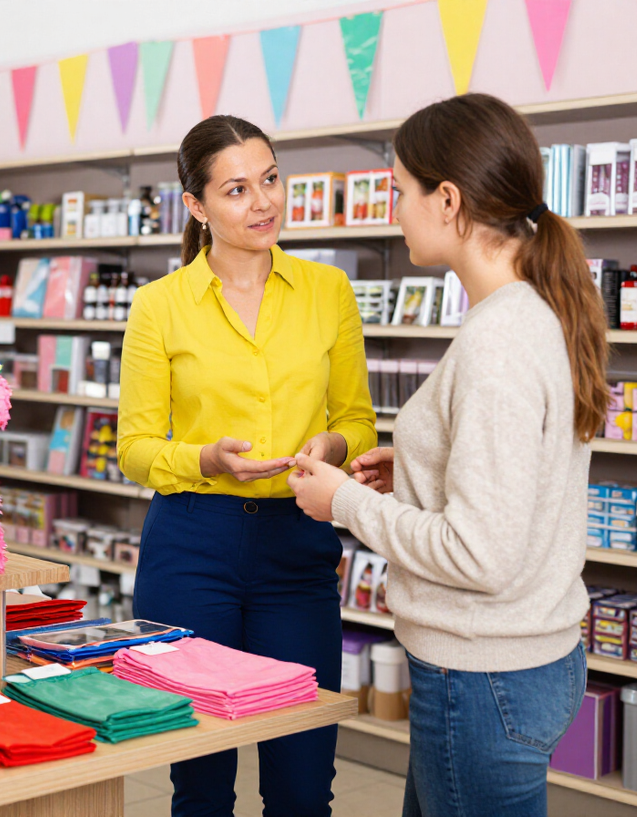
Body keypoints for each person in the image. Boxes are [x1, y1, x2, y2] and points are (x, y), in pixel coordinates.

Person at [289, 93, 606, 817]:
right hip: (520, 662)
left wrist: (344, 501)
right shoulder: (535, 307)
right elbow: (527, 467)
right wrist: (423, 465)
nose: (395, 210)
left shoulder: (497, 340)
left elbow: (478, 554)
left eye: (401, 189)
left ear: (449, 199)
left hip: (483, 675)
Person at [117, 114, 376, 817]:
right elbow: (134, 446)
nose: (262, 202)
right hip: (192, 547)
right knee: (200, 782)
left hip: (298, 543)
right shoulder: (158, 307)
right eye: (236, 189)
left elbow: (358, 420)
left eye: (270, 180)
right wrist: (204, 458)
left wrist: (331, 448)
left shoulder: (328, 292)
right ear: (196, 206)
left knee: (301, 780)